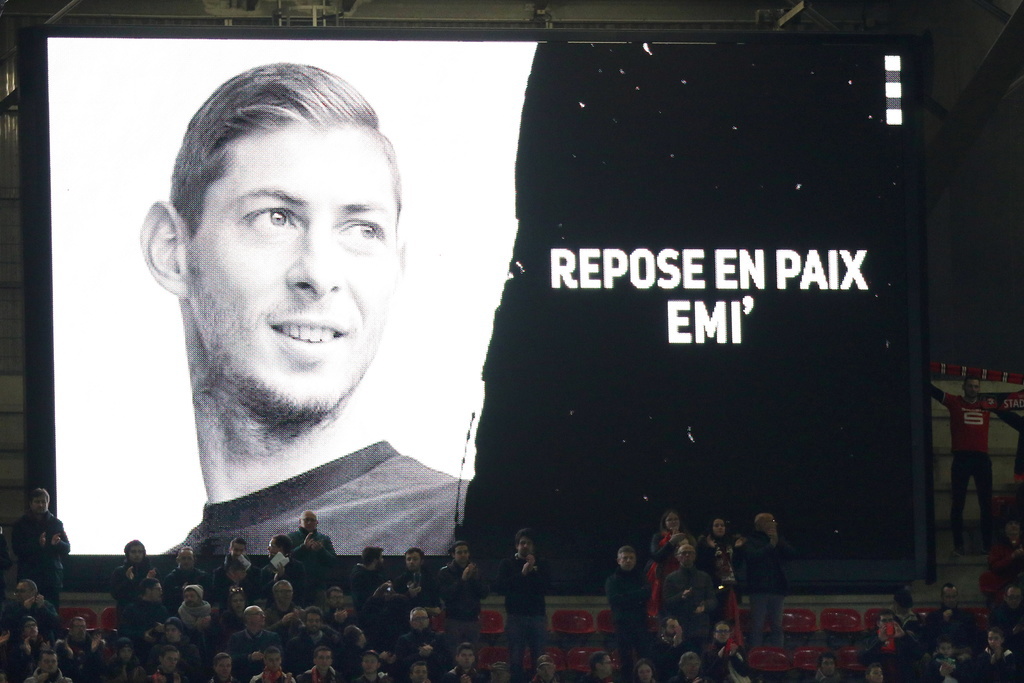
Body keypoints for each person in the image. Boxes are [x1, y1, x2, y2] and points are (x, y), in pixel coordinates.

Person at [140, 61, 463, 556]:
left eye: (361, 229)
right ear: (171, 251)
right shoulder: (166, 577)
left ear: (396, 269)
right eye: (275, 217)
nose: (319, 274)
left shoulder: (465, 528)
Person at [931, 377, 997, 555]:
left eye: (976, 386)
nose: (973, 389)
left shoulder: (987, 404)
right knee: (958, 503)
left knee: (986, 504)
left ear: (979, 388)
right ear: (964, 387)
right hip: (961, 458)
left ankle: (987, 545)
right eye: (970, 386)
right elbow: (934, 391)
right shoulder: (955, 402)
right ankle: (958, 546)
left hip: (982, 459)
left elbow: (1010, 401)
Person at [496, 529, 550, 683]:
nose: (525, 546)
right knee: (515, 658)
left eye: (529, 543)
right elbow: (500, 587)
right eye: (522, 543)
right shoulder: (507, 564)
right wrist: (522, 575)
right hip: (515, 617)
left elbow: (547, 587)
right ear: (516, 546)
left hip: (537, 616)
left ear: (533, 546)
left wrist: (533, 570)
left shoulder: (542, 563)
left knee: (539, 658)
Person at [739, 512, 795, 648]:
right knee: (757, 625)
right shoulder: (750, 541)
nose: (774, 524)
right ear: (761, 524)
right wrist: (770, 545)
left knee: (777, 625)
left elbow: (791, 554)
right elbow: (753, 558)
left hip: (777, 589)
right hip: (759, 590)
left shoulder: (778, 539)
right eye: (771, 521)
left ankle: (778, 654)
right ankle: (755, 654)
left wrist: (777, 542)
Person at [12, 489, 70, 609]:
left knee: (50, 611)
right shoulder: (20, 524)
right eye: (37, 502)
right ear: (31, 503)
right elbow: (17, 549)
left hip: (51, 578)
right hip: (29, 576)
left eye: (43, 502)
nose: (41, 505)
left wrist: (58, 543)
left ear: (48, 503)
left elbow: (67, 548)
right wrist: (37, 544)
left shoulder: (56, 523)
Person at [605, 545, 651, 679]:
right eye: (625, 558)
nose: (628, 560)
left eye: (631, 558)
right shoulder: (612, 580)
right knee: (625, 659)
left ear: (635, 560)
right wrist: (637, 596)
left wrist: (625, 596)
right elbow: (614, 599)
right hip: (622, 624)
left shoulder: (642, 577)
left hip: (640, 622)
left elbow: (647, 594)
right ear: (618, 560)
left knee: (644, 657)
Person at [436, 541, 489, 654]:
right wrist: (462, 580)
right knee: (454, 654)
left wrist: (473, 578)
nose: (463, 555)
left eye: (465, 552)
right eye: (459, 552)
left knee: (472, 654)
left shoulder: (476, 571)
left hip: (473, 619)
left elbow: (484, 593)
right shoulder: (445, 572)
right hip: (454, 620)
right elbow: (445, 595)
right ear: (453, 555)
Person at [661, 544, 716, 652]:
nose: (687, 555)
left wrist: (704, 606)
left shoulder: (704, 577)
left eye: (690, 552)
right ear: (677, 556)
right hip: (680, 626)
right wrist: (680, 596)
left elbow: (713, 601)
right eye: (683, 552)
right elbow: (666, 603)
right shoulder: (671, 578)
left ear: (695, 556)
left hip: (700, 627)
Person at [645, 510, 695, 618]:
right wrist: (671, 542)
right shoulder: (658, 537)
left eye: (675, 519)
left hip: (684, 575)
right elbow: (657, 556)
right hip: (663, 576)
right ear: (664, 523)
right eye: (669, 520)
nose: (673, 522)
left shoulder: (689, 537)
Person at [694, 519, 743, 627]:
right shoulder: (703, 543)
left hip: (730, 586)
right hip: (713, 587)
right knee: (714, 616)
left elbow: (736, 564)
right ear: (711, 528)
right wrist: (711, 549)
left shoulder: (730, 542)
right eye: (716, 525)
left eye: (722, 525)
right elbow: (702, 565)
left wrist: (738, 549)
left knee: (729, 617)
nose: (720, 527)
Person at [858, 609, 923, 683]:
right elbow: (863, 660)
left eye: (890, 620)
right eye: (884, 620)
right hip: (880, 675)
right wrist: (879, 641)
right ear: (878, 623)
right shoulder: (869, 638)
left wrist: (904, 636)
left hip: (902, 675)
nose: (888, 623)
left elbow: (919, 654)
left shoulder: (904, 636)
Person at [287, 513, 336, 606]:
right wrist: (303, 548)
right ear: (300, 521)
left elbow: (333, 562)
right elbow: (284, 559)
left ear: (317, 522)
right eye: (306, 520)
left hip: (318, 588)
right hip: (295, 587)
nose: (309, 522)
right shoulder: (290, 538)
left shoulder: (324, 539)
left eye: (312, 520)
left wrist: (321, 550)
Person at [227, 606, 284, 682]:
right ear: (248, 618)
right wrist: (249, 657)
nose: (263, 616)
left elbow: (280, 655)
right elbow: (231, 658)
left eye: (263, 613)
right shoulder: (236, 638)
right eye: (258, 614)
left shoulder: (272, 637)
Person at [120, 578, 171, 659]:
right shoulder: (131, 609)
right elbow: (123, 630)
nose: (161, 592)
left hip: (157, 649)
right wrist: (142, 635)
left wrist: (163, 629)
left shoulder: (162, 610)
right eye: (158, 589)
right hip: (136, 646)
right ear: (148, 590)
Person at [394, 608, 448, 683]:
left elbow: (446, 659)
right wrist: (419, 655)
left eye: (423, 618)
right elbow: (400, 663)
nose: (421, 621)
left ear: (428, 620)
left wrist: (431, 654)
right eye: (417, 619)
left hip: (436, 678)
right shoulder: (404, 640)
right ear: (411, 622)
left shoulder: (438, 637)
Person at [923, 583, 978, 654]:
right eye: (948, 597)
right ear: (942, 598)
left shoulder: (967, 617)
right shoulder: (933, 617)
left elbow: (973, 640)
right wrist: (944, 622)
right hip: (940, 654)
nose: (951, 600)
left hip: (961, 654)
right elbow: (929, 639)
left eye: (954, 597)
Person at [284, 608, 339, 674]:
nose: (314, 624)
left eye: (317, 621)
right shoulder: (294, 644)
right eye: (311, 621)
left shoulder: (330, 642)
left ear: (321, 622)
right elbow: (289, 667)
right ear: (305, 622)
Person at [112, 541, 158, 614]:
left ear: (144, 553)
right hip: (126, 613)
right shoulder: (119, 571)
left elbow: (159, 595)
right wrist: (128, 580)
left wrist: (148, 582)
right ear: (127, 553)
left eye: (140, 552)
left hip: (149, 612)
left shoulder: (152, 571)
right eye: (133, 552)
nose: (137, 555)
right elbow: (115, 594)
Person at [393, 548, 441, 615]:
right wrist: (409, 594)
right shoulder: (400, 580)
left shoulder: (431, 579)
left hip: (428, 616)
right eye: (408, 559)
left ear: (421, 561)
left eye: (415, 559)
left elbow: (436, 599)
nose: (411, 562)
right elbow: (396, 603)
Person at [163, 548, 211, 615]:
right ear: (177, 560)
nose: (186, 561)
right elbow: (167, 601)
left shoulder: (203, 577)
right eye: (183, 558)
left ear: (194, 560)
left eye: (189, 558)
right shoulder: (170, 579)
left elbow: (209, 598)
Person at [262, 537, 307, 604]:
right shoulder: (267, 569)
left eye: (272, 546)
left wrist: (283, 576)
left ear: (281, 549)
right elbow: (263, 593)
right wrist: (275, 579)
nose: (268, 548)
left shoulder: (297, 567)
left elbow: (300, 590)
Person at [987, 519, 1024, 587]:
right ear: (1005, 529)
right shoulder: (997, 547)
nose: (1013, 525)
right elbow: (994, 566)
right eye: (1010, 523)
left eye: (1016, 523)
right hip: (1004, 581)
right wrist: (1011, 557)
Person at [989, 584, 1024, 654]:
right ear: (1005, 597)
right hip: (1004, 646)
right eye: (1011, 597)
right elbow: (992, 635)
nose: (1014, 600)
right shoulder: (996, 613)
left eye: (1017, 597)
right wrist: (1012, 632)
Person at [650, 618, 685, 683]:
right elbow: (662, 663)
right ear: (663, 629)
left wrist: (680, 645)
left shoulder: (684, 644)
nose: (675, 630)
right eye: (672, 627)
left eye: (677, 627)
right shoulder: (657, 645)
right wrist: (674, 647)